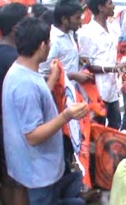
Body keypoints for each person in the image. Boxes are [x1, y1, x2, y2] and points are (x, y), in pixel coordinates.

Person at [2, 17, 88, 205]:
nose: (50, 46)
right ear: (42, 45)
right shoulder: (25, 84)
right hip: (37, 171)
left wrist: (52, 79)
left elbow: (35, 104)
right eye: (49, 42)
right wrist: (67, 115)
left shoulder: (22, 72)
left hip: (33, 167)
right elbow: (33, 135)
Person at [78, 0, 126, 129]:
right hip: (96, 91)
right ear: (101, 7)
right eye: (110, 3)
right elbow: (87, 66)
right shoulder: (87, 33)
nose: (113, 6)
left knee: (115, 127)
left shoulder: (113, 28)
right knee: (98, 129)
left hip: (112, 90)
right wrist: (115, 68)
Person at [0, 3, 28, 205]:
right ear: (17, 28)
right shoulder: (15, 62)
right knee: (17, 181)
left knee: (6, 180)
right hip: (10, 128)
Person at [39, 0, 93, 86]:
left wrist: (78, 58)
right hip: (59, 93)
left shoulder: (69, 34)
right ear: (64, 19)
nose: (80, 21)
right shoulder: (53, 40)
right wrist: (72, 76)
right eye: (77, 18)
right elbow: (43, 74)